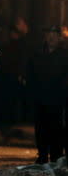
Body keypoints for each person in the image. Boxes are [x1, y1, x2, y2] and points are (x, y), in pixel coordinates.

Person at [27, 26, 68, 164]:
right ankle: (43, 155)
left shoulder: (64, 55)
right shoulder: (37, 54)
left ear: (59, 37)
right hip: (41, 99)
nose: (51, 38)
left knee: (56, 129)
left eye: (54, 35)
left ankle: (56, 156)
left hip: (58, 100)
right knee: (41, 129)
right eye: (49, 34)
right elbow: (30, 75)